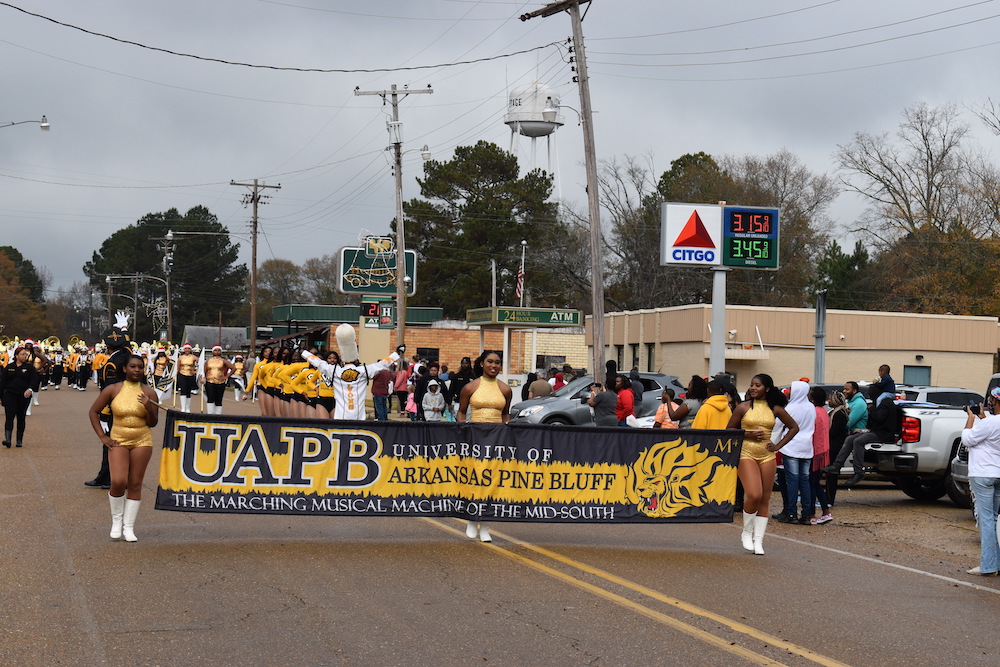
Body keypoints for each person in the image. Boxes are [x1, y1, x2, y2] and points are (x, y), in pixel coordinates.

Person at [726, 374, 799, 555]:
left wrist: (778, 446)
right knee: (754, 494)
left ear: (766, 388)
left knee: (765, 498)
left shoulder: (775, 409)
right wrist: (746, 434)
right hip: (746, 453)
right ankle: (747, 531)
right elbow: (728, 430)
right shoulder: (742, 408)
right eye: (751, 385)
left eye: (757, 385)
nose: (752, 388)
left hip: (767, 455)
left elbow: (794, 427)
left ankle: (759, 540)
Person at [88, 355, 159, 542]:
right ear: (124, 369)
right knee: (118, 481)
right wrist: (103, 437)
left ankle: (129, 527)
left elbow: (153, 423)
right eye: (133, 366)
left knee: (135, 484)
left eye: (140, 367)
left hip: (142, 440)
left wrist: (149, 407)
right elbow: (93, 411)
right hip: (118, 440)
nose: (137, 370)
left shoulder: (149, 393)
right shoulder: (113, 389)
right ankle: (116, 522)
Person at [457, 351, 512, 543]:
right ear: (482, 363)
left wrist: (506, 427)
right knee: (475, 481)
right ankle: (472, 519)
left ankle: (486, 525)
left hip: (496, 444)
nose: (494, 365)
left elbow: (506, 414)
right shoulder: (470, 387)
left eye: (497, 362)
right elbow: (461, 413)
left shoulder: (505, 390)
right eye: (490, 361)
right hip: (475, 441)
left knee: (493, 483)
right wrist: (464, 431)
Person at [301, 323, 403, 420]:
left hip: (341, 418)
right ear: (357, 360)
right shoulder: (364, 371)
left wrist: (302, 351)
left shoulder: (335, 371)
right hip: (358, 419)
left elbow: (318, 362)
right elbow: (383, 364)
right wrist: (397, 353)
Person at [84, 313, 132, 490]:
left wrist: (104, 413)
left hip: (117, 409)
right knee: (111, 445)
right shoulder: (126, 354)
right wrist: (123, 329)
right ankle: (104, 477)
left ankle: (118, 479)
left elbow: (111, 391)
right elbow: (126, 344)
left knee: (116, 444)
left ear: (107, 347)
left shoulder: (113, 363)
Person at [823, 384, 898, 486]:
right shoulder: (878, 403)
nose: (870, 395)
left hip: (883, 434)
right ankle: (837, 465)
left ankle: (858, 472)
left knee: (858, 441)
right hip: (875, 432)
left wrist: (871, 411)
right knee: (850, 439)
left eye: (871, 393)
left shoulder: (885, 403)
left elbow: (879, 417)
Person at [961, 387, 1000, 576]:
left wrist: (970, 418)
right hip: (998, 473)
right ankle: (995, 563)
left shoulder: (990, 423)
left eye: (991, 400)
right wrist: (983, 418)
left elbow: (967, 439)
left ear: (994, 401)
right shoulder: (991, 422)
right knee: (993, 519)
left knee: (985, 521)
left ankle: (989, 565)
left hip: (983, 473)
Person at [773, 381, 816, 525]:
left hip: (791, 447)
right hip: (807, 448)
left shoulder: (790, 408)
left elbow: (778, 425)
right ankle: (806, 514)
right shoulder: (811, 407)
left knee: (792, 482)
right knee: (805, 481)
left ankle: (791, 513)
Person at [1, 346, 40, 448]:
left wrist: (30, 389)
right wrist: (1, 397)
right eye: (22, 354)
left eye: (26, 355)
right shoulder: (9, 367)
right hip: (10, 395)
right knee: (9, 417)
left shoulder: (30, 368)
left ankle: (19, 440)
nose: (25, 356)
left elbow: (34, 380)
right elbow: (2, 383)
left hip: (23, 395)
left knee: (21, 417)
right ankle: (8, 439)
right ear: (16, 356)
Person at [809, 387, 833, 525]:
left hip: (814, 452)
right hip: (823, 451)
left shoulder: (814, 412)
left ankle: (812, 513)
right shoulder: (824, 411)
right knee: (815, 483)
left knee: (811, 484)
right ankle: (825, 511)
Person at [825, 390, 849, 507]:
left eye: (830, 399)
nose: (828, 401)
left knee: (832, 474)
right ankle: (827, 497)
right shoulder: (835, 412)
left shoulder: (839, 414)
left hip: (835, 447)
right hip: (833, 445)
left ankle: (830, 499)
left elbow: (833, 432)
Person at [201, 345, 235, 415]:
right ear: (212, 351)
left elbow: (233, 368)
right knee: (210, 397)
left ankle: (218, 414)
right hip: (209, 381)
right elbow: (204, 371)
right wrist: (203, 378)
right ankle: (210, 414)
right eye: (215, 350)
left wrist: (227, 376)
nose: (217, 351)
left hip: (220, 382)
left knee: (218, 399)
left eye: (218, 350)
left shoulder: (223, 361)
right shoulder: (208, 361)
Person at [175, 343, 199, 412]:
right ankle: (183, 407)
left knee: (188, 391)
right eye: (186, 348)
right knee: (183, 390)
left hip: (190, 375)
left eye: (188, 348)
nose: (187, 350)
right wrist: (175, 376)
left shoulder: (193, 357)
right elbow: (178, 368)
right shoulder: (180, 358)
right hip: (182, 375)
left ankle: (187, 407)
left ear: (190, 349)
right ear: (184, 349)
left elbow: (201, 364)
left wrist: (195, 372)